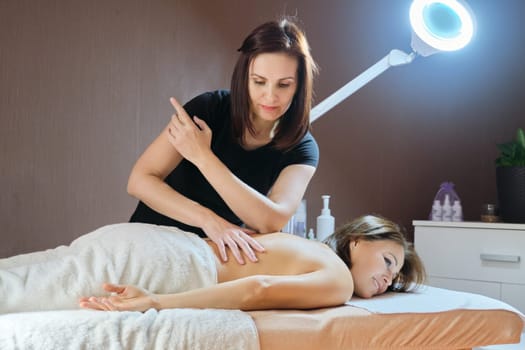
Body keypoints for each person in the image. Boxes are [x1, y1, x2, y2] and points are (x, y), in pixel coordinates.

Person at [128, 18, 320, 265]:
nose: (270, 96)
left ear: (299, 87)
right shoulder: (208, 109)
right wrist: (209, 220)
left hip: (212, 255)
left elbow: (271, 221)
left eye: (284, 85)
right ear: (244, 78)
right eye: (259, 81)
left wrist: (203, 157)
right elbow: (139, 181)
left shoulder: (301, 148)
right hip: (150, 240)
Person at [76, 214, 425, 312]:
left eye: (393, 279)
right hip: (178, 261)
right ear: (358, 240)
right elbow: (258, 290)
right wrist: (154, 301)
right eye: (388, 261)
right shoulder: (339, 280)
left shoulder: (302, 245)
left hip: (155, 241)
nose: (386, 279)